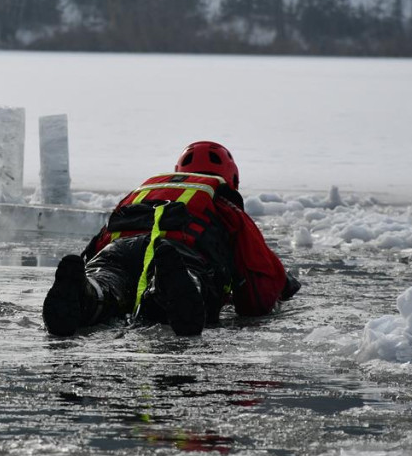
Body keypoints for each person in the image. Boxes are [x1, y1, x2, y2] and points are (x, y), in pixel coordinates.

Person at [43, 141, 300, 337]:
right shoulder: (221, 199)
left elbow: (101, 241)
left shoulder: (144, 190)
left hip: (117, 250)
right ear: (230, 177)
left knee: (108, 282)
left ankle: (89, 295)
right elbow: (257, 267)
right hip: (179, 251)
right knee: (182, 282)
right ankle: (166, 289)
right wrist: (266, 297)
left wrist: (86, 273)